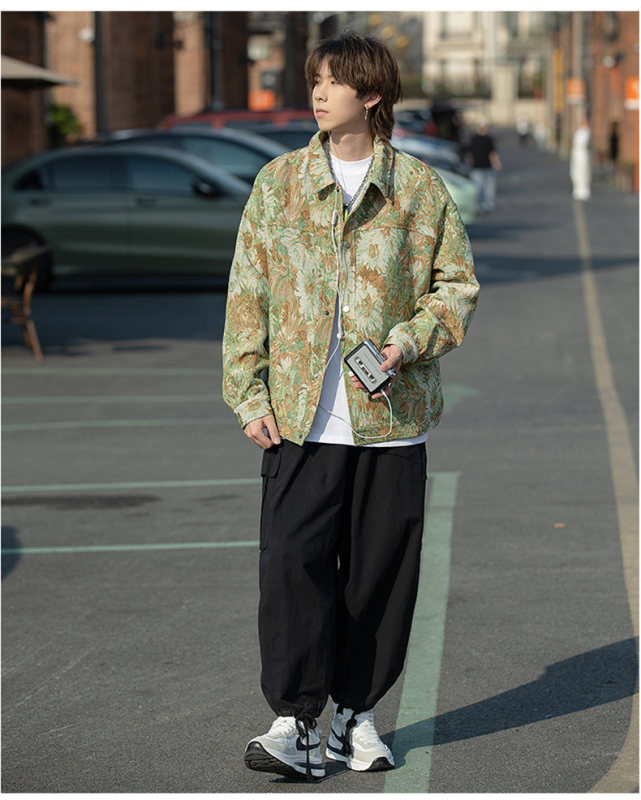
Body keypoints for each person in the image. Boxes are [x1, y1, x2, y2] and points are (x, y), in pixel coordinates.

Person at [222, 30, 479, 782]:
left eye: (333, 81)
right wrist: (247, 392)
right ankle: (294, 722)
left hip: (390, 422)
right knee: (291, 569)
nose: (318, 92)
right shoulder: (279, 183)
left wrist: (404, 343)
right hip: (299, 419)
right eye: (315, 80)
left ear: (370, 94)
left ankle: (355, 716)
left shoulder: (417, 189)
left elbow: (456, 286)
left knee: (378, 580)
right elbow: (247, 293)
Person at [466, 119, 502, 214]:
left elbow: (470, 154)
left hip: (477, 167)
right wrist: (496, 163)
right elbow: (492, 154)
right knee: (488, 187)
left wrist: (470, 164)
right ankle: (487, 205)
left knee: (479, 188)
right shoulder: (489, 139)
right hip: (486, 166)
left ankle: (480, 206)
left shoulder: (474, 139)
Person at [570, 116, 591, 201]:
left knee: (583, 171)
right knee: (576, 171)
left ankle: (583, 190)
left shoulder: (587, 132)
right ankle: (577, 189)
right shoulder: (579, 132)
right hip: (576, 153)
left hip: (582, 154)